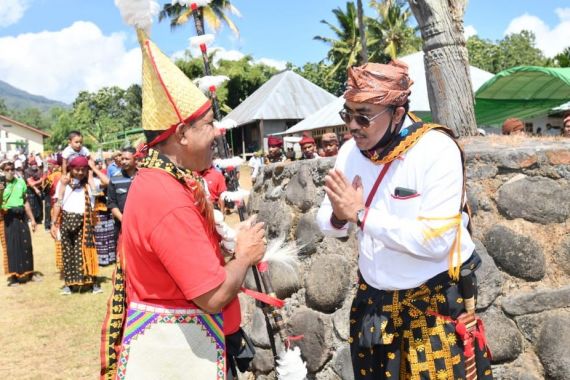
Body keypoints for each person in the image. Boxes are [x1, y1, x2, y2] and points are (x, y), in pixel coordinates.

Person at [101, 29, 265, 380]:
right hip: (184, 356)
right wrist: (245, 256)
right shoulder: (168, 197)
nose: (217, 132)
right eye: (208, 125)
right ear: (181, 134)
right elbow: (214, 295)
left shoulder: (163, 182)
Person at [316, 61, 492, 379]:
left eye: (363, 117)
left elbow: (436, 241)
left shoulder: (436, 149)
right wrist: (341, 215)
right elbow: (326, 222)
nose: (352, 127)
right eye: (348, 114)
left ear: (398, 113)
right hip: (373, 303)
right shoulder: (349, 152)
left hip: (433, 306)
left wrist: (361, 214)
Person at [50, 156, 102, 295]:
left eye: (83, 170)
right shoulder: (64, 183)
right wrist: (54, 223)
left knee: (86, 251)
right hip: (66, 220)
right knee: (68, 253)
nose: (80, 172)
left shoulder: (91, 183)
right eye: (77, 169)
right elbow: (58, 202)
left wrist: (91, 178)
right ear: (71, 169)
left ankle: (93, 284)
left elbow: (98, 196)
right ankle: (69, 284)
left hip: (85, 222)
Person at [1, 161, 37, 286]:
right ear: (3, 171)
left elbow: (25, 201)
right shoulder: (1, 184)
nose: (10, 171)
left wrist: (32, 219)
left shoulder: (21, 182)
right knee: (12, 246)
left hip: (21, 216)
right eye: (7, 169)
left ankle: (30, 273)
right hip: (8, 217)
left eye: (12, 169)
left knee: (26, 244)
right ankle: (14, 277)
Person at [106, 147, 138, 242]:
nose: (123, 162)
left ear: (135, 159)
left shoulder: (144, 176)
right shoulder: (115, 179)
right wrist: (123, 220)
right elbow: (111, 203)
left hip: (142, 223)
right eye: (122, 159)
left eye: (127, 159)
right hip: (121, 224)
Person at [24, 156, 44, 225]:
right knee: (31, 204)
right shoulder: (27, 171)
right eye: (33, 165)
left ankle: (39, 219)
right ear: (30, 165)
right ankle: (31, 219)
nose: (34, 166)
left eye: (35, 164)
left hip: (39, 189)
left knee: (39, 204)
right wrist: (37, 183)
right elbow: (30, 183)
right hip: (30, 190)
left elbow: (42, 179)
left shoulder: (39, 170)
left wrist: (36, 182)